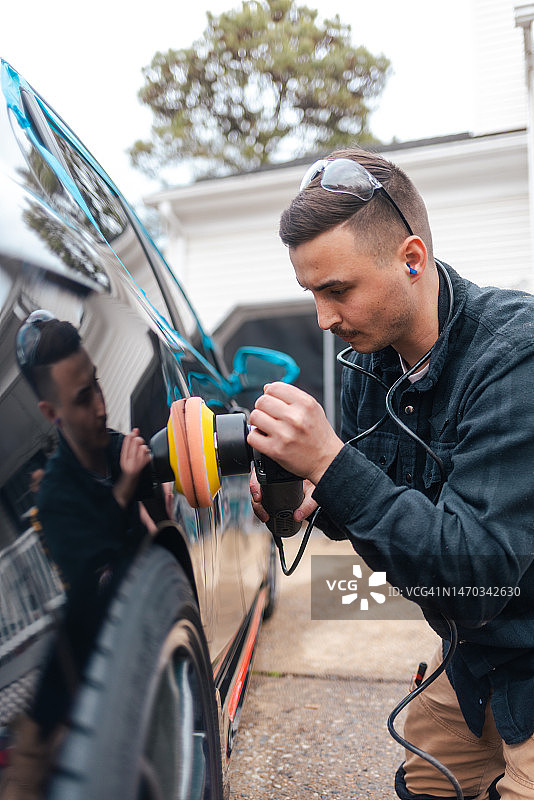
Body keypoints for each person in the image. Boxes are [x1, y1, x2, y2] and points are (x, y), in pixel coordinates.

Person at [248, 147, 534, 800]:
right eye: (311, 293)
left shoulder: (514, 360)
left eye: (337, 289)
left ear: (411, 259)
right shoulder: (368, 364)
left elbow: (479, 572)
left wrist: (330, 461)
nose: (323, 319)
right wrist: (315, 501)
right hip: (476, 654)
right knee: (424, 785)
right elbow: (381, 511)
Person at [1, 312, 153, 800]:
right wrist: (125, 490)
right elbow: (86, 584)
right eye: (82, 398)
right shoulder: (56, 496)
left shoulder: (118, 450)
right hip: (79, 679)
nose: (101, 408)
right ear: (51, 413)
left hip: (142, 641)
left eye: (97, 386)